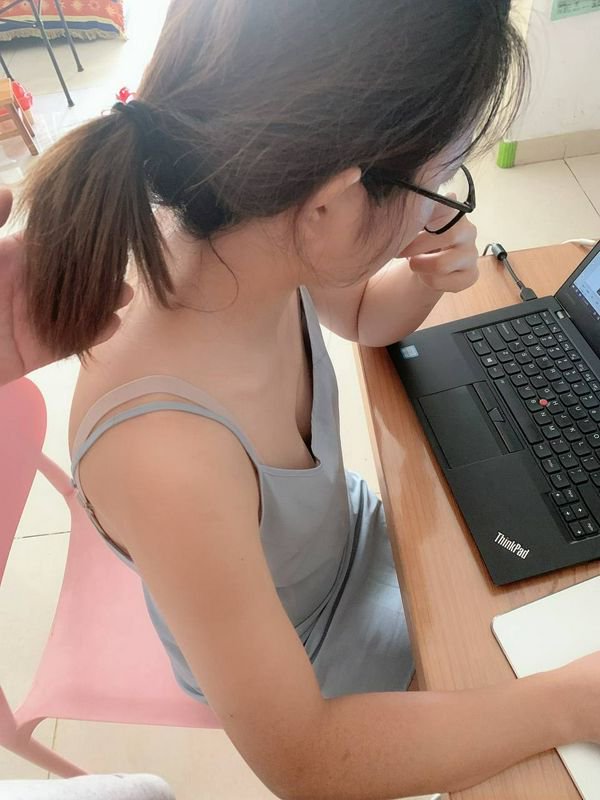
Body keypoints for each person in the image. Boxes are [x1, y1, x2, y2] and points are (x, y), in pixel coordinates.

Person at [14, 1, 600, 797]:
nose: (439, 207)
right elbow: (308, 758)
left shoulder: (250, 229)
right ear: (330, 203)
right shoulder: (165, 451)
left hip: (351, 539)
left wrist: (427, 278)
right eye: (437, 179)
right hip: (312, 659)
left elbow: (358, 315)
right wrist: (569, 703)